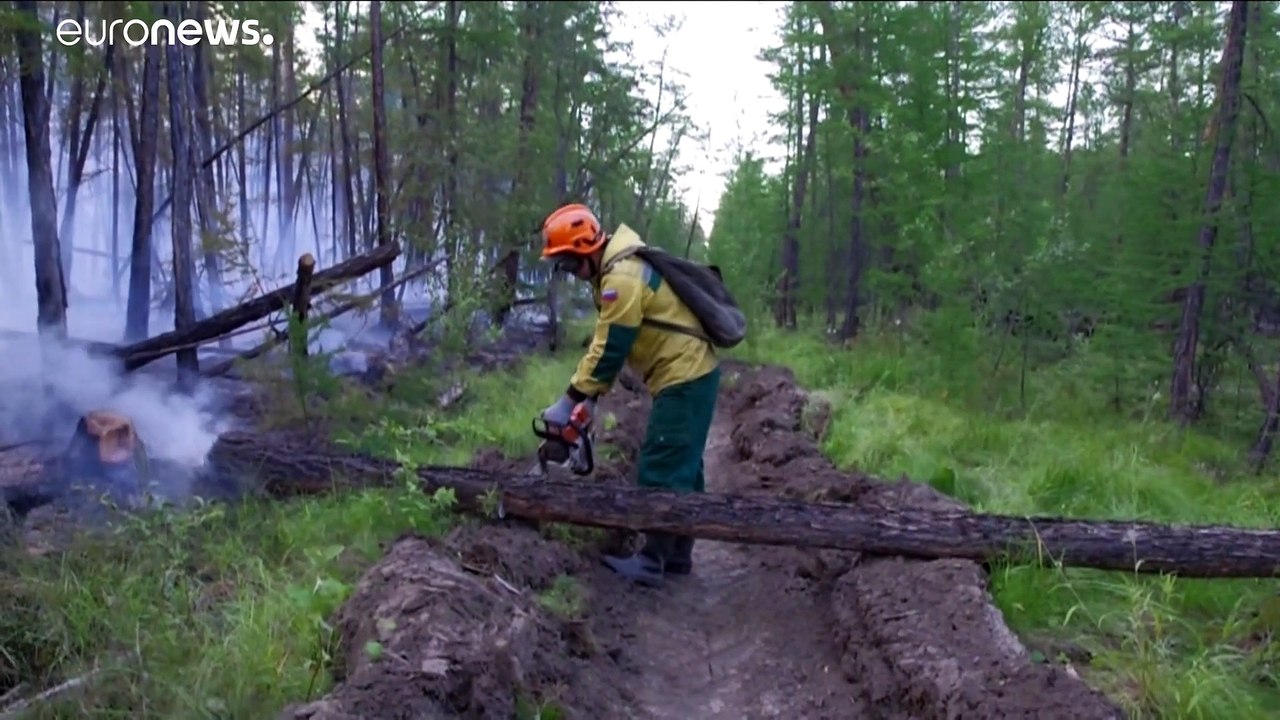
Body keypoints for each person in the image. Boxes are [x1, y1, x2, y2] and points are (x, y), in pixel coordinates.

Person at [538, 203, 721, 587]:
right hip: (689, 373)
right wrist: (587, 400)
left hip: (683, 375)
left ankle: (653, 559)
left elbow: (609, 348)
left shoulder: (621, 277)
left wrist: (570, 399)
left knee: (661, 461)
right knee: (684, 466)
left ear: (587, 248)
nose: (571, 273)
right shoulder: (620, 268)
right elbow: (608, 345)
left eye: (570, 263)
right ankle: (677, 556)